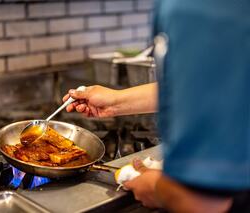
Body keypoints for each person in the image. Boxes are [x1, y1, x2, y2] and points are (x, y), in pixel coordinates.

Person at [63, 0, 250, 212]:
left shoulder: (197, 8)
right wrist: (116, 101)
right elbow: (213, 84)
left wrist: (157, 188)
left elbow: (199, 200)